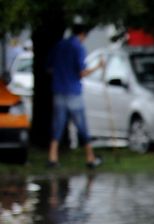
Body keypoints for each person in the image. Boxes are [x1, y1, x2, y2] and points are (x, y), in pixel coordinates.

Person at [47, 23, 101, 170]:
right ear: (82, 34)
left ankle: (52, 157)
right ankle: (90, 158)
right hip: (73, 92)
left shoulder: (59, 45)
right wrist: (98, 67)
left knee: (58, 125)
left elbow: (49, 67)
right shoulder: (78, 48)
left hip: (59, 90)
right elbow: (81, 72)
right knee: (82, 126)